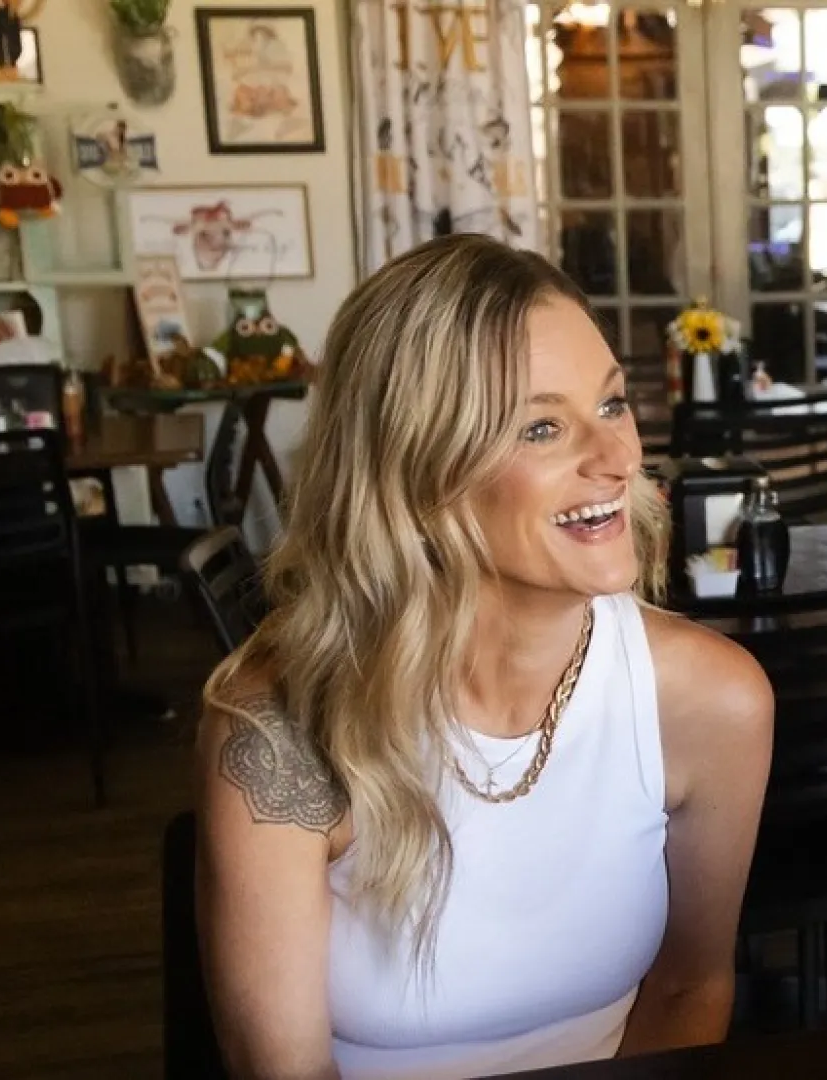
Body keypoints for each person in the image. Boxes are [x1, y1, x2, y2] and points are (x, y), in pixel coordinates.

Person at [194, 235, 774, 1078]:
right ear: (414, 471)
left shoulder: (711, 702)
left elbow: (690, 990)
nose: (618, 459)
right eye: (542, 426)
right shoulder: (281, 727)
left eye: (612, 404)